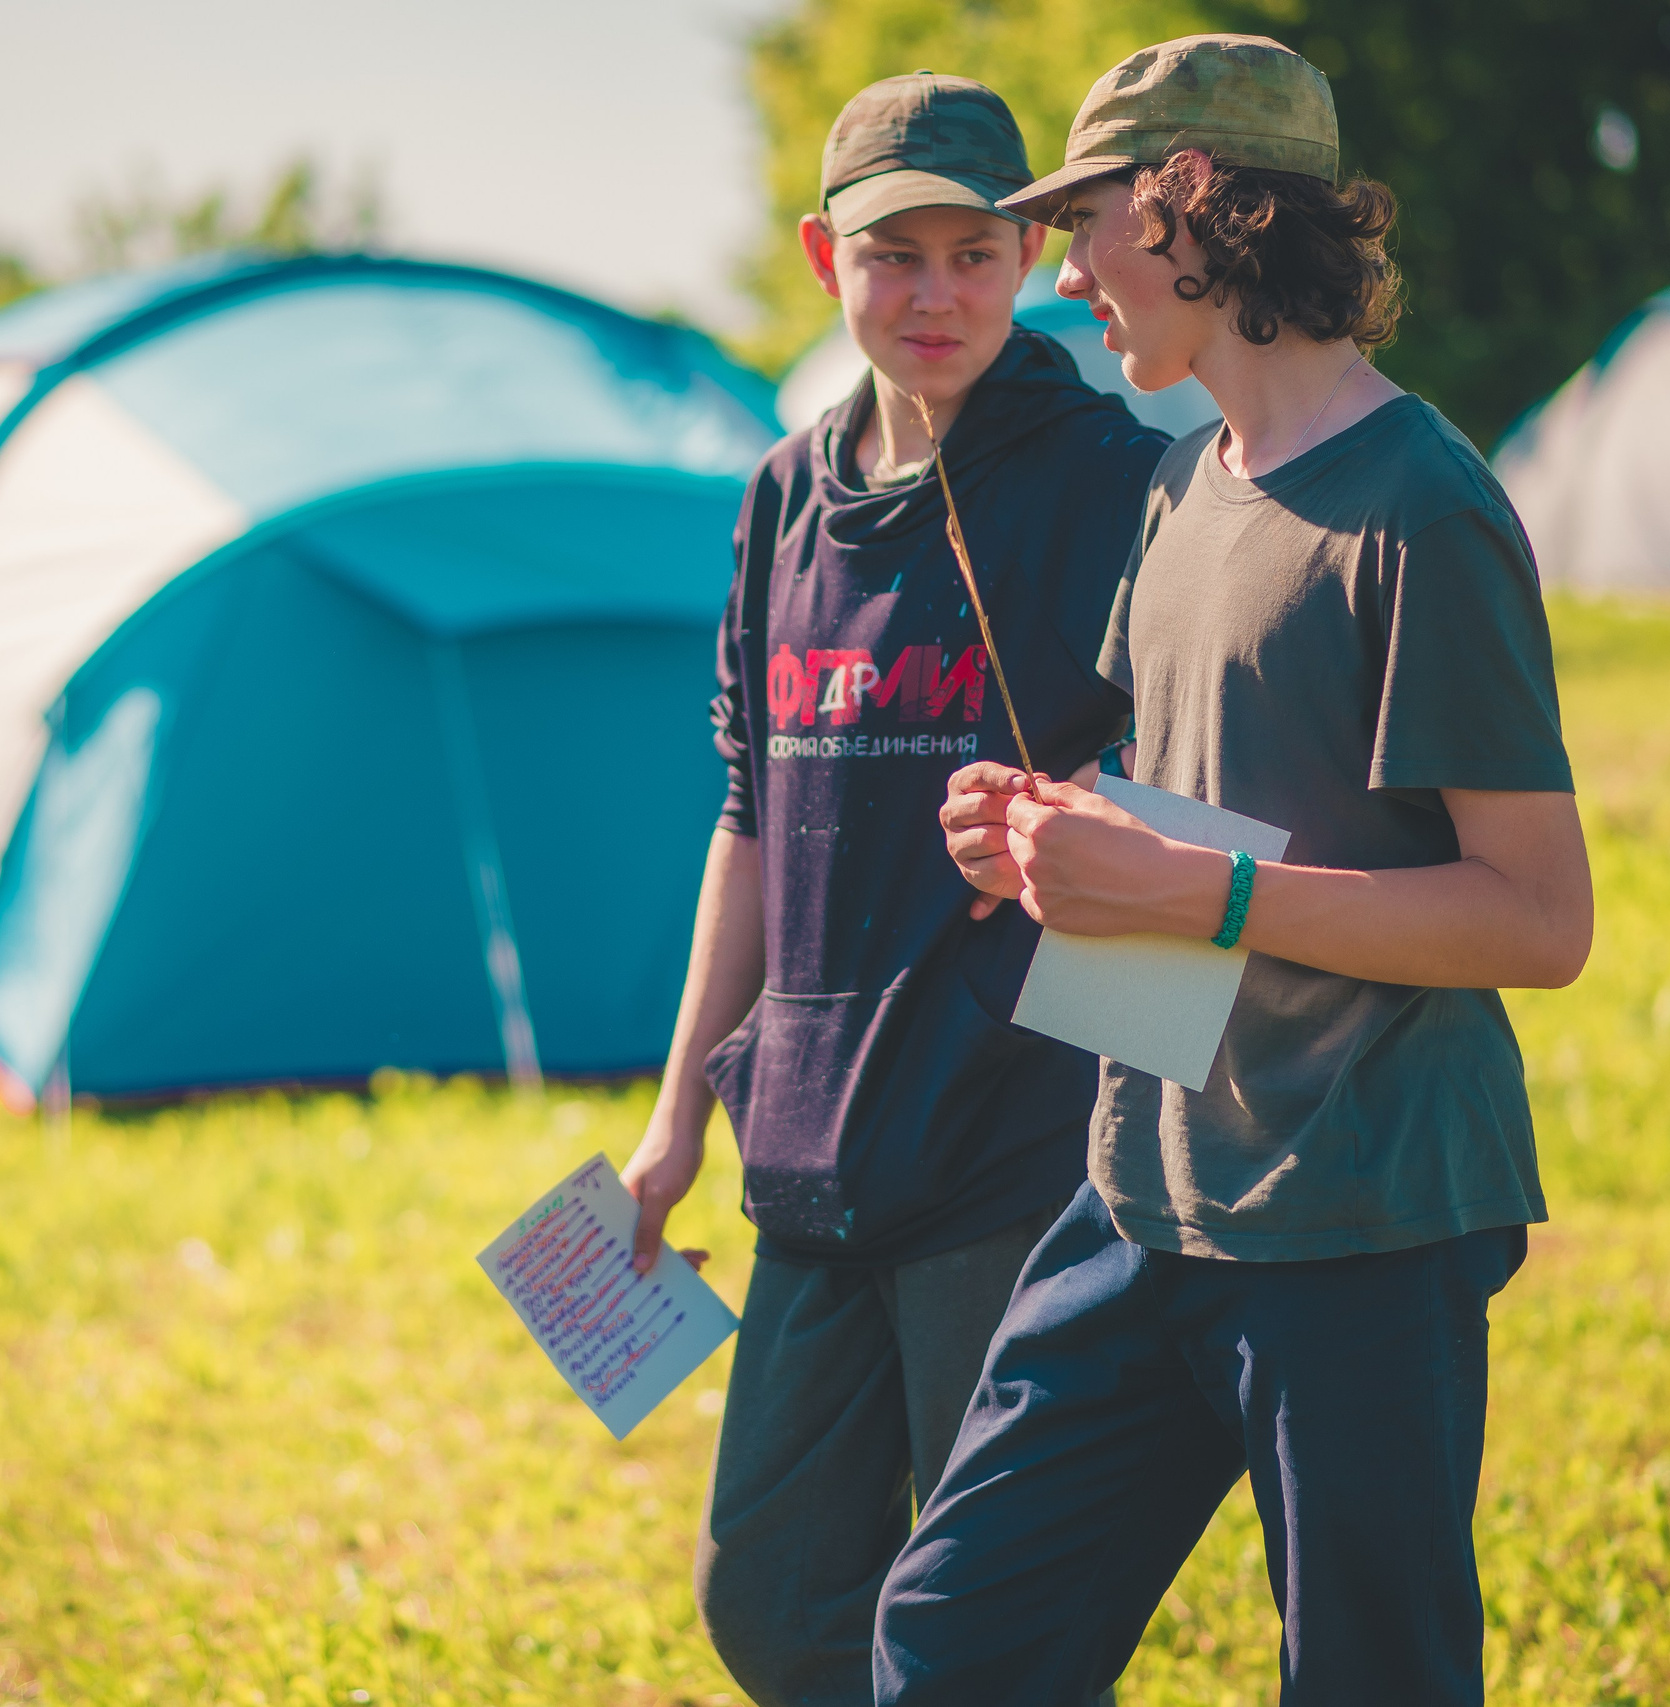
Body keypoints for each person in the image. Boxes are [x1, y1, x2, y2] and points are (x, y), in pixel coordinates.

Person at [876, 35, 1595, 1707]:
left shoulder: (1424, 507)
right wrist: (1058, 835)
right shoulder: (1184, 487)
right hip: (1145, 1186)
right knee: (954, 1638)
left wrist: (1202, 899)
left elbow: (1539, 920)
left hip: (1366, 1217)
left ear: (1198, 211)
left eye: (1092, 220)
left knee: (1370, 1676)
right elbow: (1199, 801)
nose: (1063, 270)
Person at [614, 70, 1169, 1707]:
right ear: (822, 255)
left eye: (973, 254)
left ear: (1026, 257)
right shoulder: (782, 497)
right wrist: (675, 1119)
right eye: (894, 255)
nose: (935, 295)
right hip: (808, 1140)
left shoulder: (1104, 475)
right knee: (774, 1606)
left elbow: (1191, 782)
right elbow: (749, 812)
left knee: (990, 1632)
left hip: (1014, 1139)